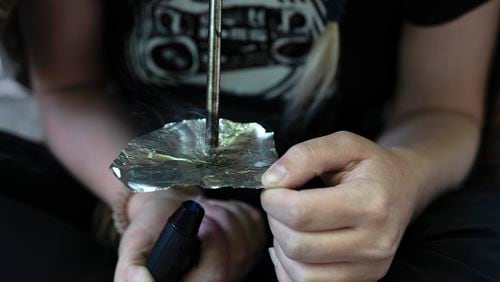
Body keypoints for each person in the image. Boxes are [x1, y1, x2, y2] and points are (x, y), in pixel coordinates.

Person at [1, 0, 500, 281]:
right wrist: (148, 200)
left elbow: (442, 110)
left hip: (363, 209)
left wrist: (402, 181)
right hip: (130, 178)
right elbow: (69, 88)